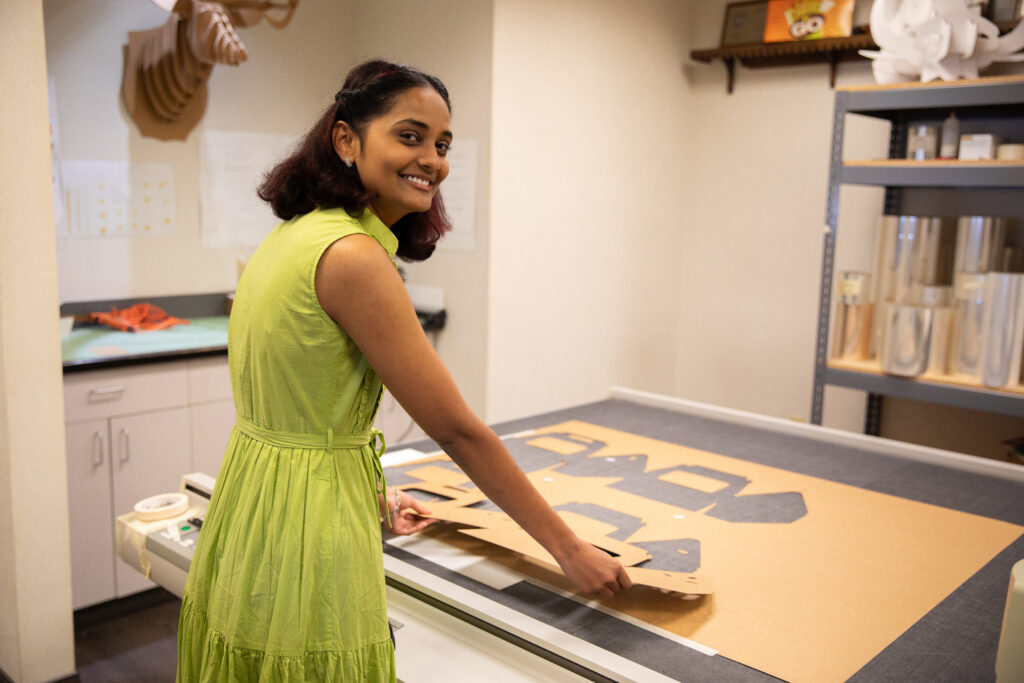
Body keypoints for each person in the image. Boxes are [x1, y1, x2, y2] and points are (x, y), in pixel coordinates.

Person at [177, 59, 631, 682]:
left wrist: (369, 494)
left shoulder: (293, 236)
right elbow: (457, 431)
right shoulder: (355, 257)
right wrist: (569, 549)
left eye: (443, 145)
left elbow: (302, 413)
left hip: (256, 502)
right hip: (309, 528)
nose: (433, 160)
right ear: (346, 140)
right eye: (410, 135)